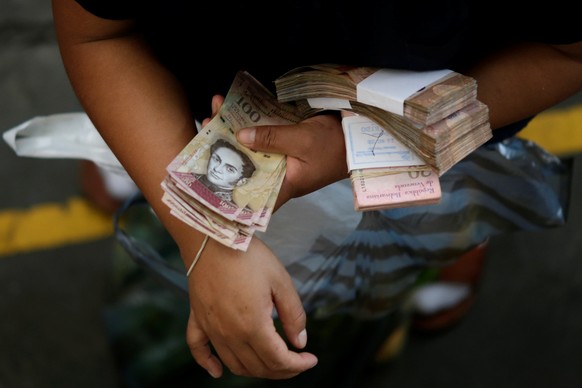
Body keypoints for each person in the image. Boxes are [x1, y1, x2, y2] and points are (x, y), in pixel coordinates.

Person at [51, 0, 582, 383]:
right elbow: (97, 33)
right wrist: (205, 240)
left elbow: (566, 53)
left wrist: (364, 145)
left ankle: (441, 247)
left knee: (403, 243)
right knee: (153, 159)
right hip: (195, 109)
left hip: (440, 120)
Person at [196, 138, 256, 203]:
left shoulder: (232, 209)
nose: (216, 169)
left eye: (229, 169)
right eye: (216, 159)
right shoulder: (187, 175)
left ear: (242, 181)